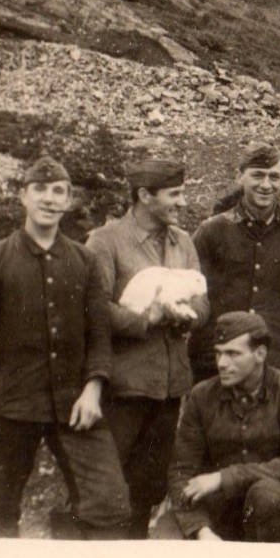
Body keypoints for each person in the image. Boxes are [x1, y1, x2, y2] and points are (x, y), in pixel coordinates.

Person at [0, 156, 131, 538]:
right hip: (10, 406)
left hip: (75, 405)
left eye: (59, 191)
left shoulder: (85, 261)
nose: (49, 198)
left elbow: (100, 336)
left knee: (108, 504)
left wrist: (93, 390)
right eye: (40, 189)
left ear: (69, 200)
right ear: (23, 196)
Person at [86, 158, 209, 538]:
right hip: (122, 388)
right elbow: (92, 309)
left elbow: (202, 301)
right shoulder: (105, 242)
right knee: (107, 487)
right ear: (144, 195)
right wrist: (146, 320)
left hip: (168, 389)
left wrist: (187, 315)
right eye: (174, 194)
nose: (182, 202)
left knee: (147, 487)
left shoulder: (182, 241)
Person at [157, 312, 280, 542]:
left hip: (275, 504)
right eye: (219, 353)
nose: (222, 363)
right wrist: (201, 531)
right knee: (166, 535)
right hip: (219, 509)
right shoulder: (201, 396)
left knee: (266, 497)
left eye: (233, 354)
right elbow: (181, 472)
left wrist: (224, 478)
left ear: (259, 354)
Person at [190, 141, 280, 381]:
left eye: (274, 177)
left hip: (277, 360)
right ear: (240, 177)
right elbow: (195, 293)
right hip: (217, 361)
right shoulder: (211, 231)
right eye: (257, 175)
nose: (266, 185)